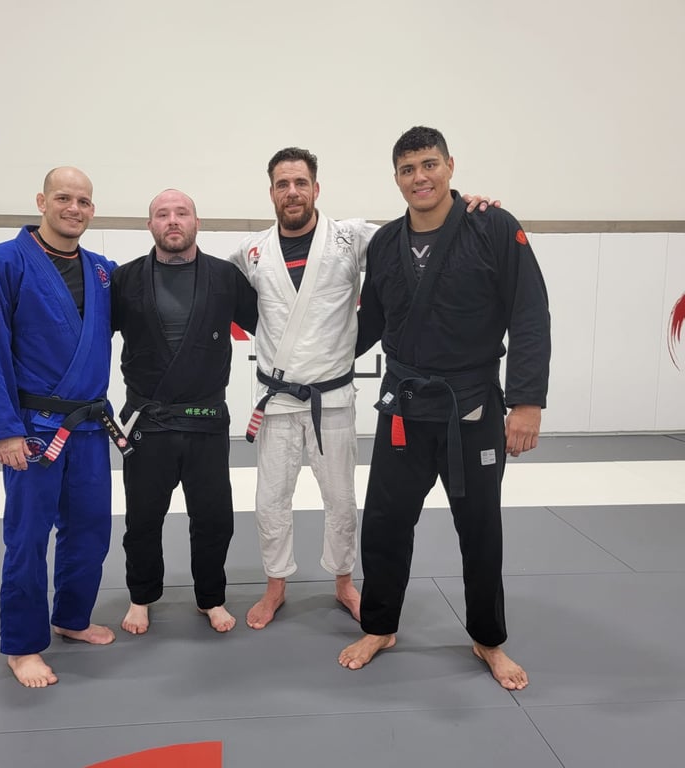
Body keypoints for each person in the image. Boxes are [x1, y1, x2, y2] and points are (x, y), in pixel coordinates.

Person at [230, 148, 495, 630]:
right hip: (278, 398)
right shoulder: (251, 251)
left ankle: (344, 581)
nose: (293, 192)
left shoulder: (351, 237)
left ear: (316, 188)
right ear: (271, 192)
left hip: (332, 399)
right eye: (283, 184)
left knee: (341, 500)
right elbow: (221, 292)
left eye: (301, 182)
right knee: (270, 500)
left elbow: (421, 230)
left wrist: (467, 209)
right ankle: (275, 586)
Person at [338, 126, 551, 691]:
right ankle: (380, 626)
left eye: (429, 164)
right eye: (408, 169)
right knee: (384, 525)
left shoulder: (493, 227)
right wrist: (309, 361)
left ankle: (487, 638)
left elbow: (529, 314)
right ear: (396, 178)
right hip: (403, 409)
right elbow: (369, 324)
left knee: (480, 530)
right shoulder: (386, 242)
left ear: (450, 166)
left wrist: (526, 403)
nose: (420, 178)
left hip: (472, 409)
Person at [0, 167, 120, 688]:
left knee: (91, 529)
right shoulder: (1, 263)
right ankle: (22, 645)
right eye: (63, 198)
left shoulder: (102, 271)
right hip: (32, 427)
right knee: (28, 536)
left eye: (84, 201)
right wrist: (3, 429)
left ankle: (71, 617)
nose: (74, 208)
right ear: (41, 201)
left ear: (92, 209)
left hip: (90, 426)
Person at [112, 189, 258, 636]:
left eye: (181, 213)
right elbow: (91, 339)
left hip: (206, 421)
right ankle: (141, 597)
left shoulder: (225, 277)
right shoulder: (124, 279)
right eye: (162, 214)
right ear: (150, 225)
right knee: (142, 519)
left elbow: (270, 328)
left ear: (197, 222)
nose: (172, 220)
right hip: (147, 422)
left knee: (214, 518)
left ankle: (210, 597)